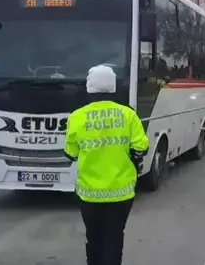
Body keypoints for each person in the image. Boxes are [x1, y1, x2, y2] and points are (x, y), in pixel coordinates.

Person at [64, 65, 149, 265]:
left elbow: (70, 153)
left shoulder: (77, 116)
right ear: (113, 88)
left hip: (90, 193)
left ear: (89, 88)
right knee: (114, 237)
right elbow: (141, 147)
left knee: (93, 237)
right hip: (121, 192)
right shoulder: (127, 114)